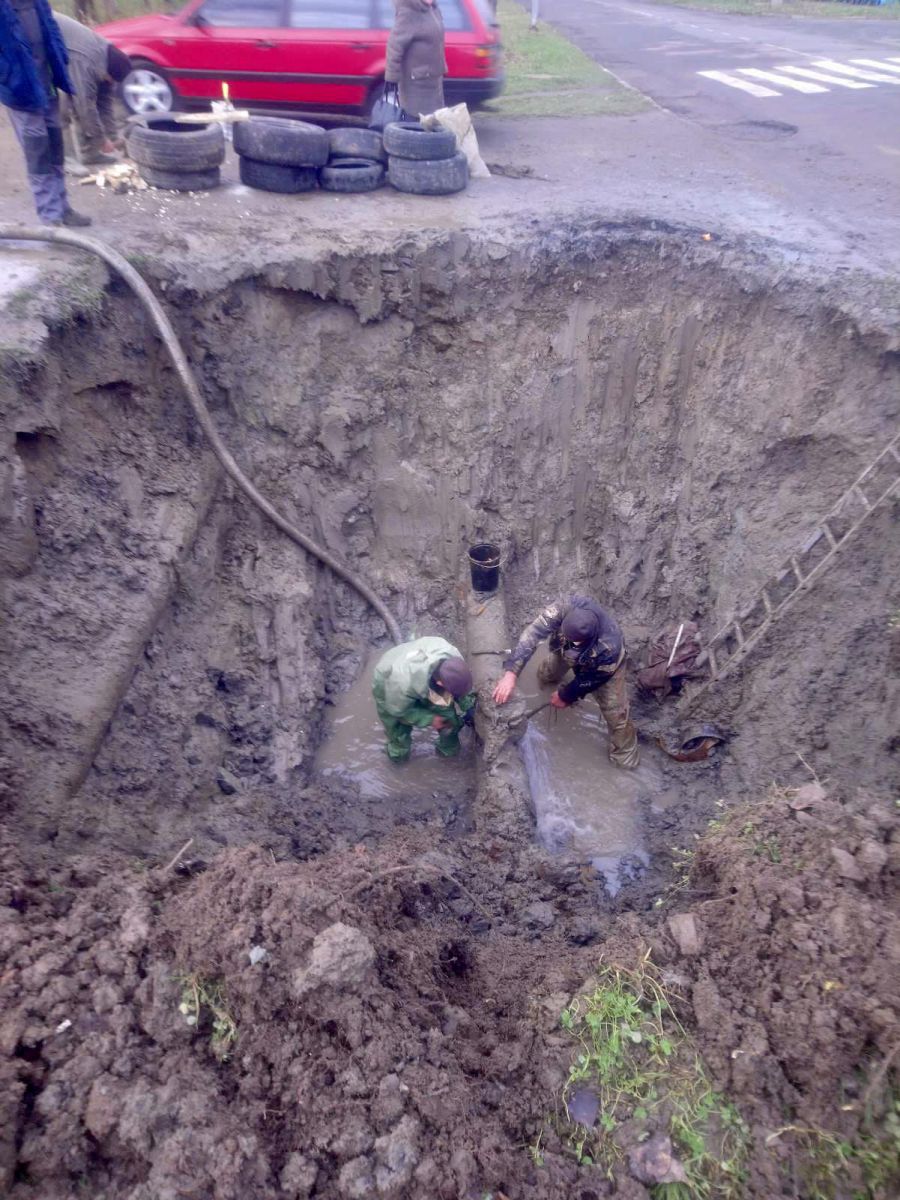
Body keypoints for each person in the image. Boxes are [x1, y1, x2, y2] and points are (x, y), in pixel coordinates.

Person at [493, 595, 640, 769]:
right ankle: (549, 677)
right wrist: (511, 673)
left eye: (575, 641)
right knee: (547, 672)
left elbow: (591, 680)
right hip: (564, 649)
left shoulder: (609, 647)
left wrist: (566, 695)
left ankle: (625, 759)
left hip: (603, 670)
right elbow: (532, 634)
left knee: (616, 713)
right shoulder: (563, 607)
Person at [0, 0, 91, 226]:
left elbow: (52, 29)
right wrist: (8, 76)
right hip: (22, 92)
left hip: (48, 86)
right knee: (38, 155)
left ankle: (63, 208)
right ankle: (50, 217)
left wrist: (60, 56)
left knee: (55, 150)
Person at [372, 637, 475, 763]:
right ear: (440, 683)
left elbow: (461, 684)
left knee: (448, 721)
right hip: (388, 681)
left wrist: (468, 704)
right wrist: (430, 719)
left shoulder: (454, 657)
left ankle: (448, 754)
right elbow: (398, 712)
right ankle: (398, 759)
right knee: (399, 733)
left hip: (423, 670)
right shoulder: (401, 684)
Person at [54, 13, 131, 165]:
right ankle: (67, 159)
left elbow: (105, 103)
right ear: (107, 72)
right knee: (65, 107)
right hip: (36, 38)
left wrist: (114, 137)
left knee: (83, 102)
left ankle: (90, 155)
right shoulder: (87, 63)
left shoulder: (108, 59)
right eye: (110, 80)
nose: (110, 83)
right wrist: (102, 140)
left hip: (70, 52)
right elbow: (84, 106)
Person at [385, 0, 447, 121]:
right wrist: (392, 78)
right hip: (416, 83)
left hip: (433, 80)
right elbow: (394, 46)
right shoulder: (409, 12)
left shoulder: (432, 9)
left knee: (433, 124)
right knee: (416, 123)